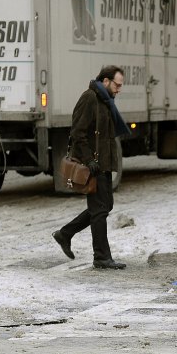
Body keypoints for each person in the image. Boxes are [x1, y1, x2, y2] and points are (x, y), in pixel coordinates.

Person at [52, 65, 131, 269]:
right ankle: (101, 257)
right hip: (94, 165)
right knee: (100, 210)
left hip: (103, 164)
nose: (119, 89)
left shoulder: (106, 101)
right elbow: (77, 132)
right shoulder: (89, 98)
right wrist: (89, 160)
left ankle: (65, 234)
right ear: (105, 81)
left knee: (104, 207)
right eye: (117, 84)